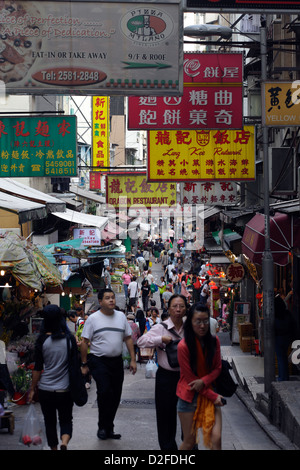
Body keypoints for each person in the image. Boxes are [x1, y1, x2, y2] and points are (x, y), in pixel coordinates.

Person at [80, 289, 137, 440]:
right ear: (100, 302)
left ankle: (109, 427)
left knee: (116, 395)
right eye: (107, 298)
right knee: (104, 392)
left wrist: (133, 359)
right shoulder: (93, 319)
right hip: (99, 361)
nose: (111, 300)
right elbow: (84, 342)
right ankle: (102, 427)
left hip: (116, 361)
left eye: (112, 298)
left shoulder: (121, 317)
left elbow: (128, 339)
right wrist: (84, 363)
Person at [137, 294, 187, 450]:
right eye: (174, 306)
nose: (178, 310)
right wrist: (160, 340)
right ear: (169, 308)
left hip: (187, 378)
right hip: (166, 378)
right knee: (166, 417)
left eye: (181, 306)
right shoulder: (160, 327)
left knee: (189, 415)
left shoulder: (190, 327)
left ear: (186, 309)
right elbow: (141, 342)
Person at [28, 305, 76, 451]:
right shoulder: (69, 339)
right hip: (65, 389)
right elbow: (74, 364)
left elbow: (37, 368)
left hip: (45, 390)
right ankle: (64, 442)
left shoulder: (42, 340)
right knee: (66, 419)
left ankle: (54, 448)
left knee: (49, 422)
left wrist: (32, 389)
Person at [176, 303, 224, 450]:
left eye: (205, 321)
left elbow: (218, 367)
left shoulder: (214, 341)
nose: (202, 325)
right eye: (198, 321)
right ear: (191, 322)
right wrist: (212, 395)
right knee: (189, 442)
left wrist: (203, 381)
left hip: (209, 394)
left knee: (216, 439)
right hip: (189, 397)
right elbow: (191, 380)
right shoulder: (183, 346)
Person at [274, 295, 297, 381]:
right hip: (287, 337)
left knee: (281, 358)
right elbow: (293, 324)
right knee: (284, 357)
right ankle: (284, 376)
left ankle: (282, 377)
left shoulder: (275, 315)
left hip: (278, 338)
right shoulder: (287, 314)